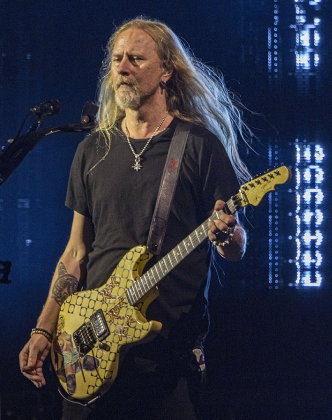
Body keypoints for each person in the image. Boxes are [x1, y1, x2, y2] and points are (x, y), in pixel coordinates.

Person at [19, 16, 252, 419]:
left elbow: (234, 248)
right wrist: (44, 328)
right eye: (117, 59)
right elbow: (76, 252)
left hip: (165, 359)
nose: (123, 68)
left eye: (136, 60)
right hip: (90, 347)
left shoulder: (198, 146)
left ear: (166, 71)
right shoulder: (94, 150)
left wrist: (228, 235)